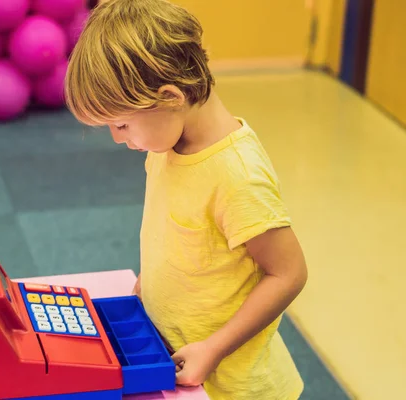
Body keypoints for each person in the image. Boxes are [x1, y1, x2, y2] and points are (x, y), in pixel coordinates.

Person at [64, 0, 308, 398]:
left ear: (171, 97)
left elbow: (289, 273)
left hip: (232, 386)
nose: (117, 138)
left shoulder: (236, 175)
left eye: (122, 124)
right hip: (175, 358)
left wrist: (213, 348)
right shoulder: (167, 146)